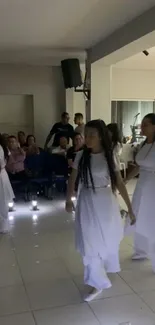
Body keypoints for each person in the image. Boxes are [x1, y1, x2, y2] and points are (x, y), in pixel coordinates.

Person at [66, 119, 135, 302]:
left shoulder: (109, 156)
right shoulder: (81, 156)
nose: (87, 138)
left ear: (101, 137)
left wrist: (129, 207)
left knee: (103, 239)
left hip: (105, 203)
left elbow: (119, 182)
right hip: (86, 201)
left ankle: (99, 271)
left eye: (92, 135)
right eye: (86, 134)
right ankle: (97, 281)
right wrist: (68, 199)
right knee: (89, 241)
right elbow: (72, 179)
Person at [125, 113, 155, 269]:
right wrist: (126, 178)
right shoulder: (144, 144)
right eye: (142, 124)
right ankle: (141, 250)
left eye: (146, 124)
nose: (142, 127)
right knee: (137, 214)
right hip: (142, 184)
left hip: (153, 185)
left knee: (151, 217)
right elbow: (139, 166)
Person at [0, 134, 14, 233]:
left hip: (1, 174)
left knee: (2, 200)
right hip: (2, 173)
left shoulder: (1, 148)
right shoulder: (3, 147)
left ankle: (3, 225)